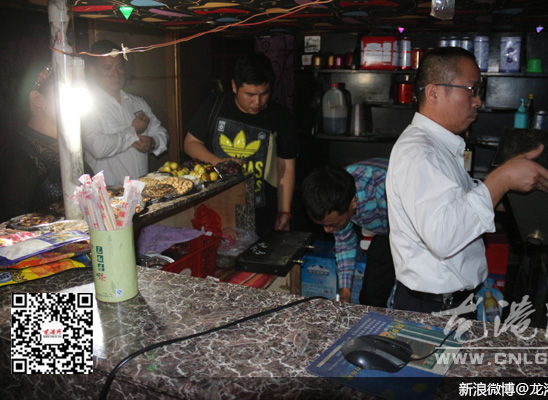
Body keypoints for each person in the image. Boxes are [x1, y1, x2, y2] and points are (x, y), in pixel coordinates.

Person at [386, 47, 548, 314]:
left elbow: (457, 203)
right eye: (471, 90)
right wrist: (501, 179)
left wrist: (507, 192)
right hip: (433, 309)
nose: (478, 101)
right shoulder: (419, 152)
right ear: (433, 93)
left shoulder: (437, 146)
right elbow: (443, 237)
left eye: (479, 91)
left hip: (449, 303)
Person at [184, 54, 297, 236]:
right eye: (250, 95)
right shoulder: (216, 105)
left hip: (262, 214)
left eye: (264, 94)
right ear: (235, 86)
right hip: (216, 209)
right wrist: (219, 162)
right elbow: (190, 143)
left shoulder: (281, 117)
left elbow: (286, 167)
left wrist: (284, 212)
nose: (257, 102)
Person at [0, 64, 93, 221]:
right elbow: (11, 222)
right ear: (37, 99)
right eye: (66, 89)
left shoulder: (70, 145)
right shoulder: (19, 156)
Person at [301, 158, 395, 307]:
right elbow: (345, 244)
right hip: (385, 231)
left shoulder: (385, 191)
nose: (327, 230)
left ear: (353, 203)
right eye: (323, 225)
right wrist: (345, 293)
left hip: (415, 231)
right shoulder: (337, 194)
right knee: (370, 298)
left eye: (332, 224)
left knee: (406, 301)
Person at [81, 40, 168, 187]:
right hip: (108, 194)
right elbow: (97, 147)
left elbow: (162, 134)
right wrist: (133, 131)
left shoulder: (137, 102)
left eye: (120, 67)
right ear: (93, 70)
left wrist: (152, 143)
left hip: (142, 188)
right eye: (107, 68)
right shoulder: (87, 105)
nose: (116, 74)